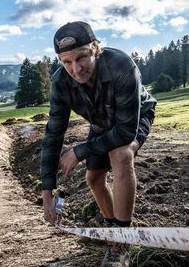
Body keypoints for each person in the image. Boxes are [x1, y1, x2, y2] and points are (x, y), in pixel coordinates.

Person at [40, 21, 156, 267]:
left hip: (134, 117)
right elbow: (53, 135)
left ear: (95, 49)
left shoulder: (122, 67)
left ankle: (120, 246)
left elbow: (125, 131)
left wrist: (80, 151)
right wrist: (47, 192)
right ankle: (112, 229)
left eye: (81, 58)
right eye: (67, 62)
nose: (76, 68)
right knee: (93, 179)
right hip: (101, 122)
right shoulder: (60, 84)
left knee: (121, 155)